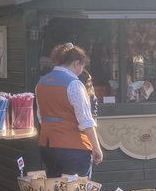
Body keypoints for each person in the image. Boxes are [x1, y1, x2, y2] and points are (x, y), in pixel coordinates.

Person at [35, 43, 104, 178]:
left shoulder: (41, 83)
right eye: (82, 67)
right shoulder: (74, 84)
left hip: (47, 146)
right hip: (74, 148)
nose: (81, 71)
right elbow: (85, 121)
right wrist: (96, 148)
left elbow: (40, 117)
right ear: (76, 63)